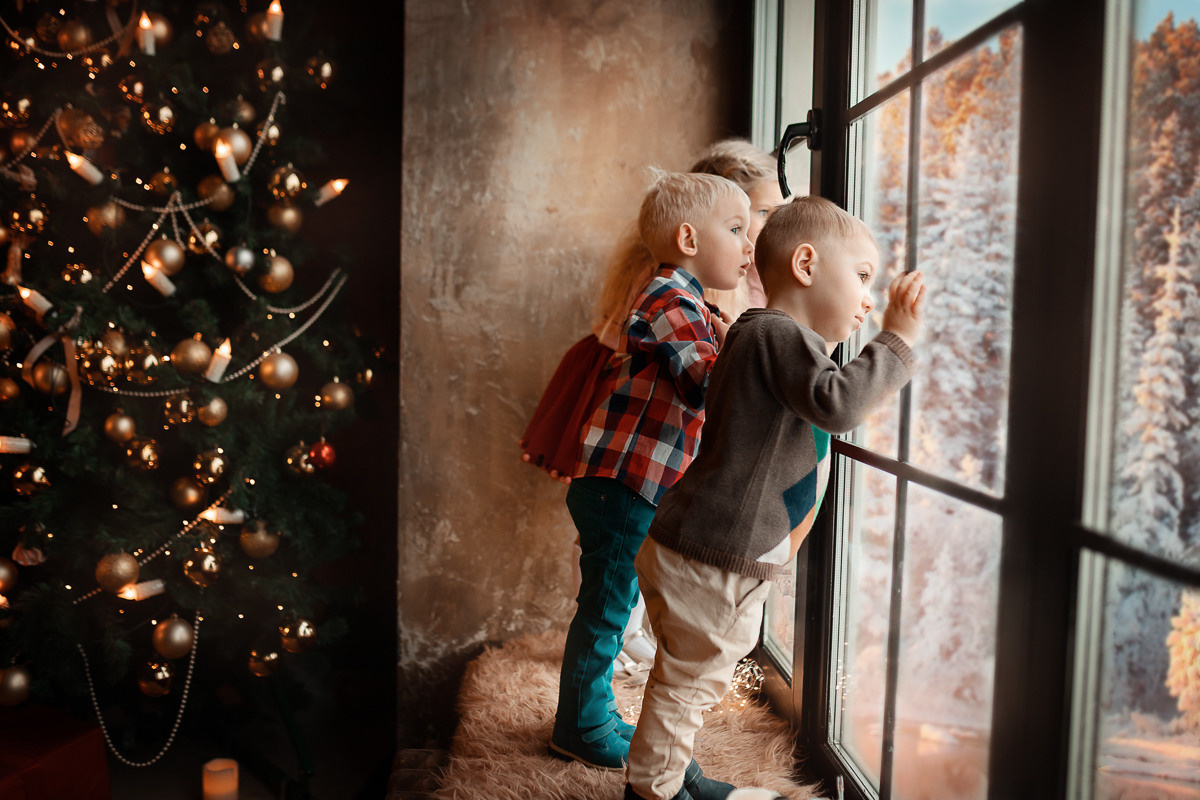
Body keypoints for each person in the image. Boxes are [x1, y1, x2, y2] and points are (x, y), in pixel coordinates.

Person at [624, 196, 927, 800]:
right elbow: (838, 403)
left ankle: (672, 773)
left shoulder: (763, 335)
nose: (869, 300)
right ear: (806, 265)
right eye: (862, 277)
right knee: (688, 685)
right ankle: (651, 790)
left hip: (702, 545)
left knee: (684, 677)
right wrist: (895, 341)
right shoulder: (776, 334)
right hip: (715, 557)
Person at [549, 171, 754, 773]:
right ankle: (580, 727)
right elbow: (707, 386)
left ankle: (592, 711)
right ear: (689, 239)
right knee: (606, 609)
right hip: (624, 483)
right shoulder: (672, 300)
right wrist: (740, 349)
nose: (748, 245)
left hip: (633, 483)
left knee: (615, 604)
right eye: (736, 229)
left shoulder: (687, 303)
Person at [689, 139, 785, 320]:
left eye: (780, 212)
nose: (777, 224)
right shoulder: (702, 284)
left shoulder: (763, 273)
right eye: (764, 212)